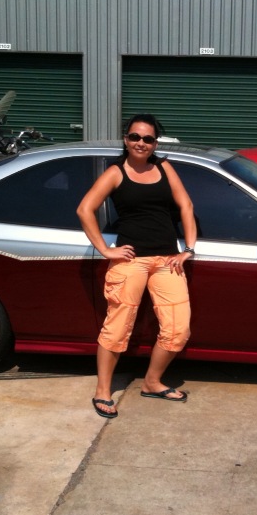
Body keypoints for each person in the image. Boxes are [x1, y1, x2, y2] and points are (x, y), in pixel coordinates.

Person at [77, 114, 197, 418]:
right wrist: (105, 249)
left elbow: (186, 205)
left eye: (148, 139)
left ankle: (152, 382)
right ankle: (103, 391)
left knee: (178, 330)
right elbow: (85, 209)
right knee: (117, 329)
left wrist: (189, 249)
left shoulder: (164, 167)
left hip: (167, 260)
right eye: (135, 137)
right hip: (131, 262)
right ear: (126, 139)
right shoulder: (116, 173)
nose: (141, 143)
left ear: (155, 143)